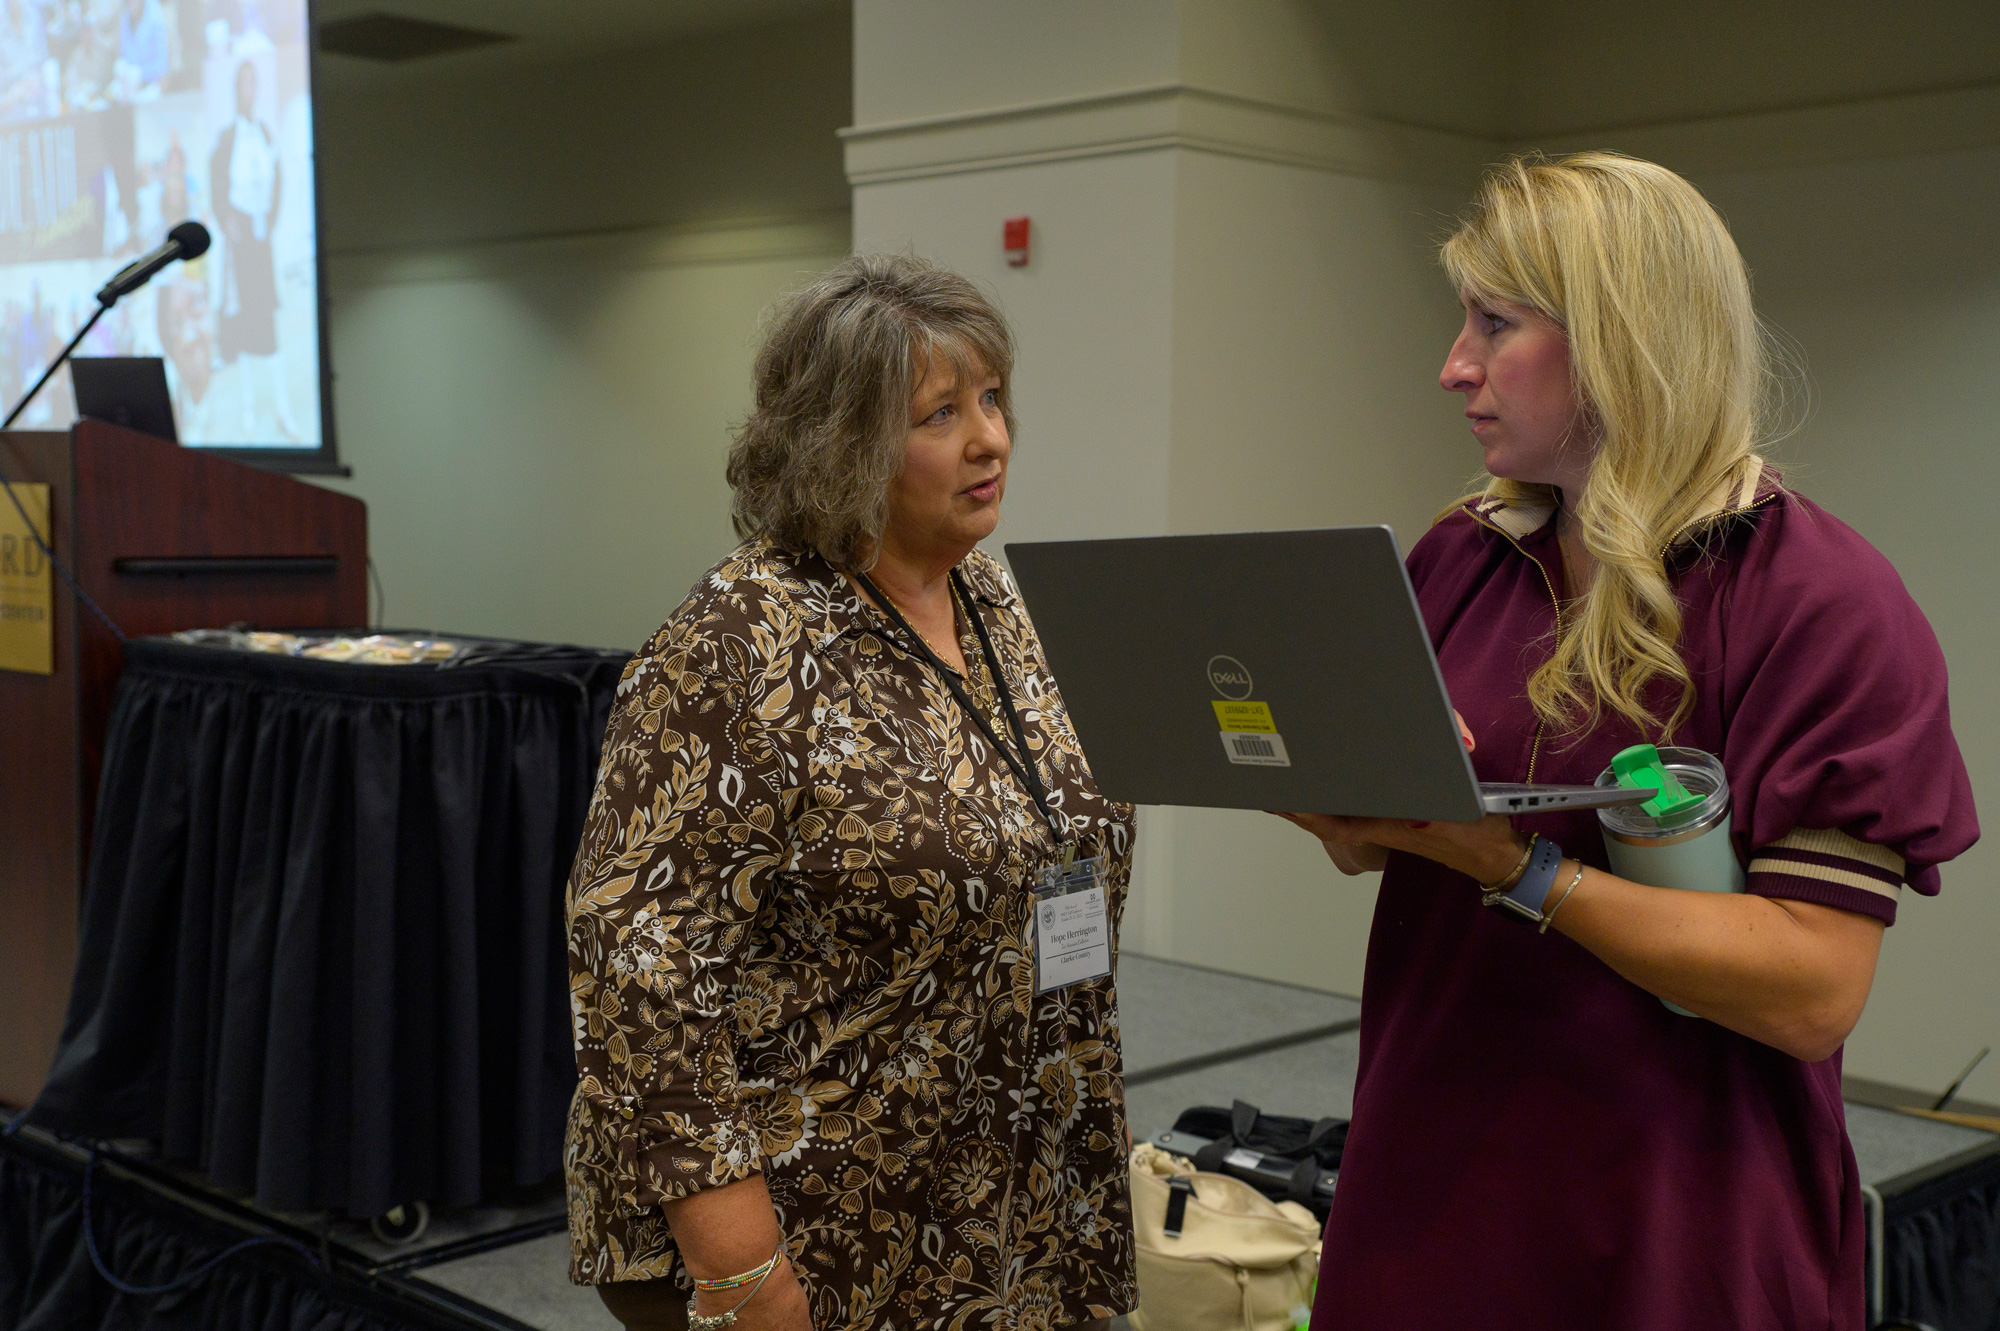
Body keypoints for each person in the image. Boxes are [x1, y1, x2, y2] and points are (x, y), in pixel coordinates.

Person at [1277, 152, 1979, 1329]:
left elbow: (1809, 989)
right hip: (1427, 1183)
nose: (1451, 365)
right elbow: (1390, 852)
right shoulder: (1462, 554)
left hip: (1673, 1230)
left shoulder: (1816, 599)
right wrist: (1340, 800)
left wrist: (1514, 865)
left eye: (1493, 325)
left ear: (1620, 337)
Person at [565, 253, 1137, 1331]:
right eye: (940, 413)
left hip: (990, 1194)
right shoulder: (738, 639)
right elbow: (638, 960)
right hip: (802, 1217)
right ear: (841, 442)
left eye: (993, 397)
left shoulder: (997, 603)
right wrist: (741, 1269)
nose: (990, 438)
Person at [209, 57, 298, 438]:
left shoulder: (264, 133)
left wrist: (269, 222)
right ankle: (247, 410)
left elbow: (278, 182)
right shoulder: (227, 138)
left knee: (268, 323)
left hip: (261, 239)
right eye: (243, 82)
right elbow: (217, 187)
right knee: (244, 323)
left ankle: (283, 409)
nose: (249, 88)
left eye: (253, 82)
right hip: (238, 242)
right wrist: (228, 216)